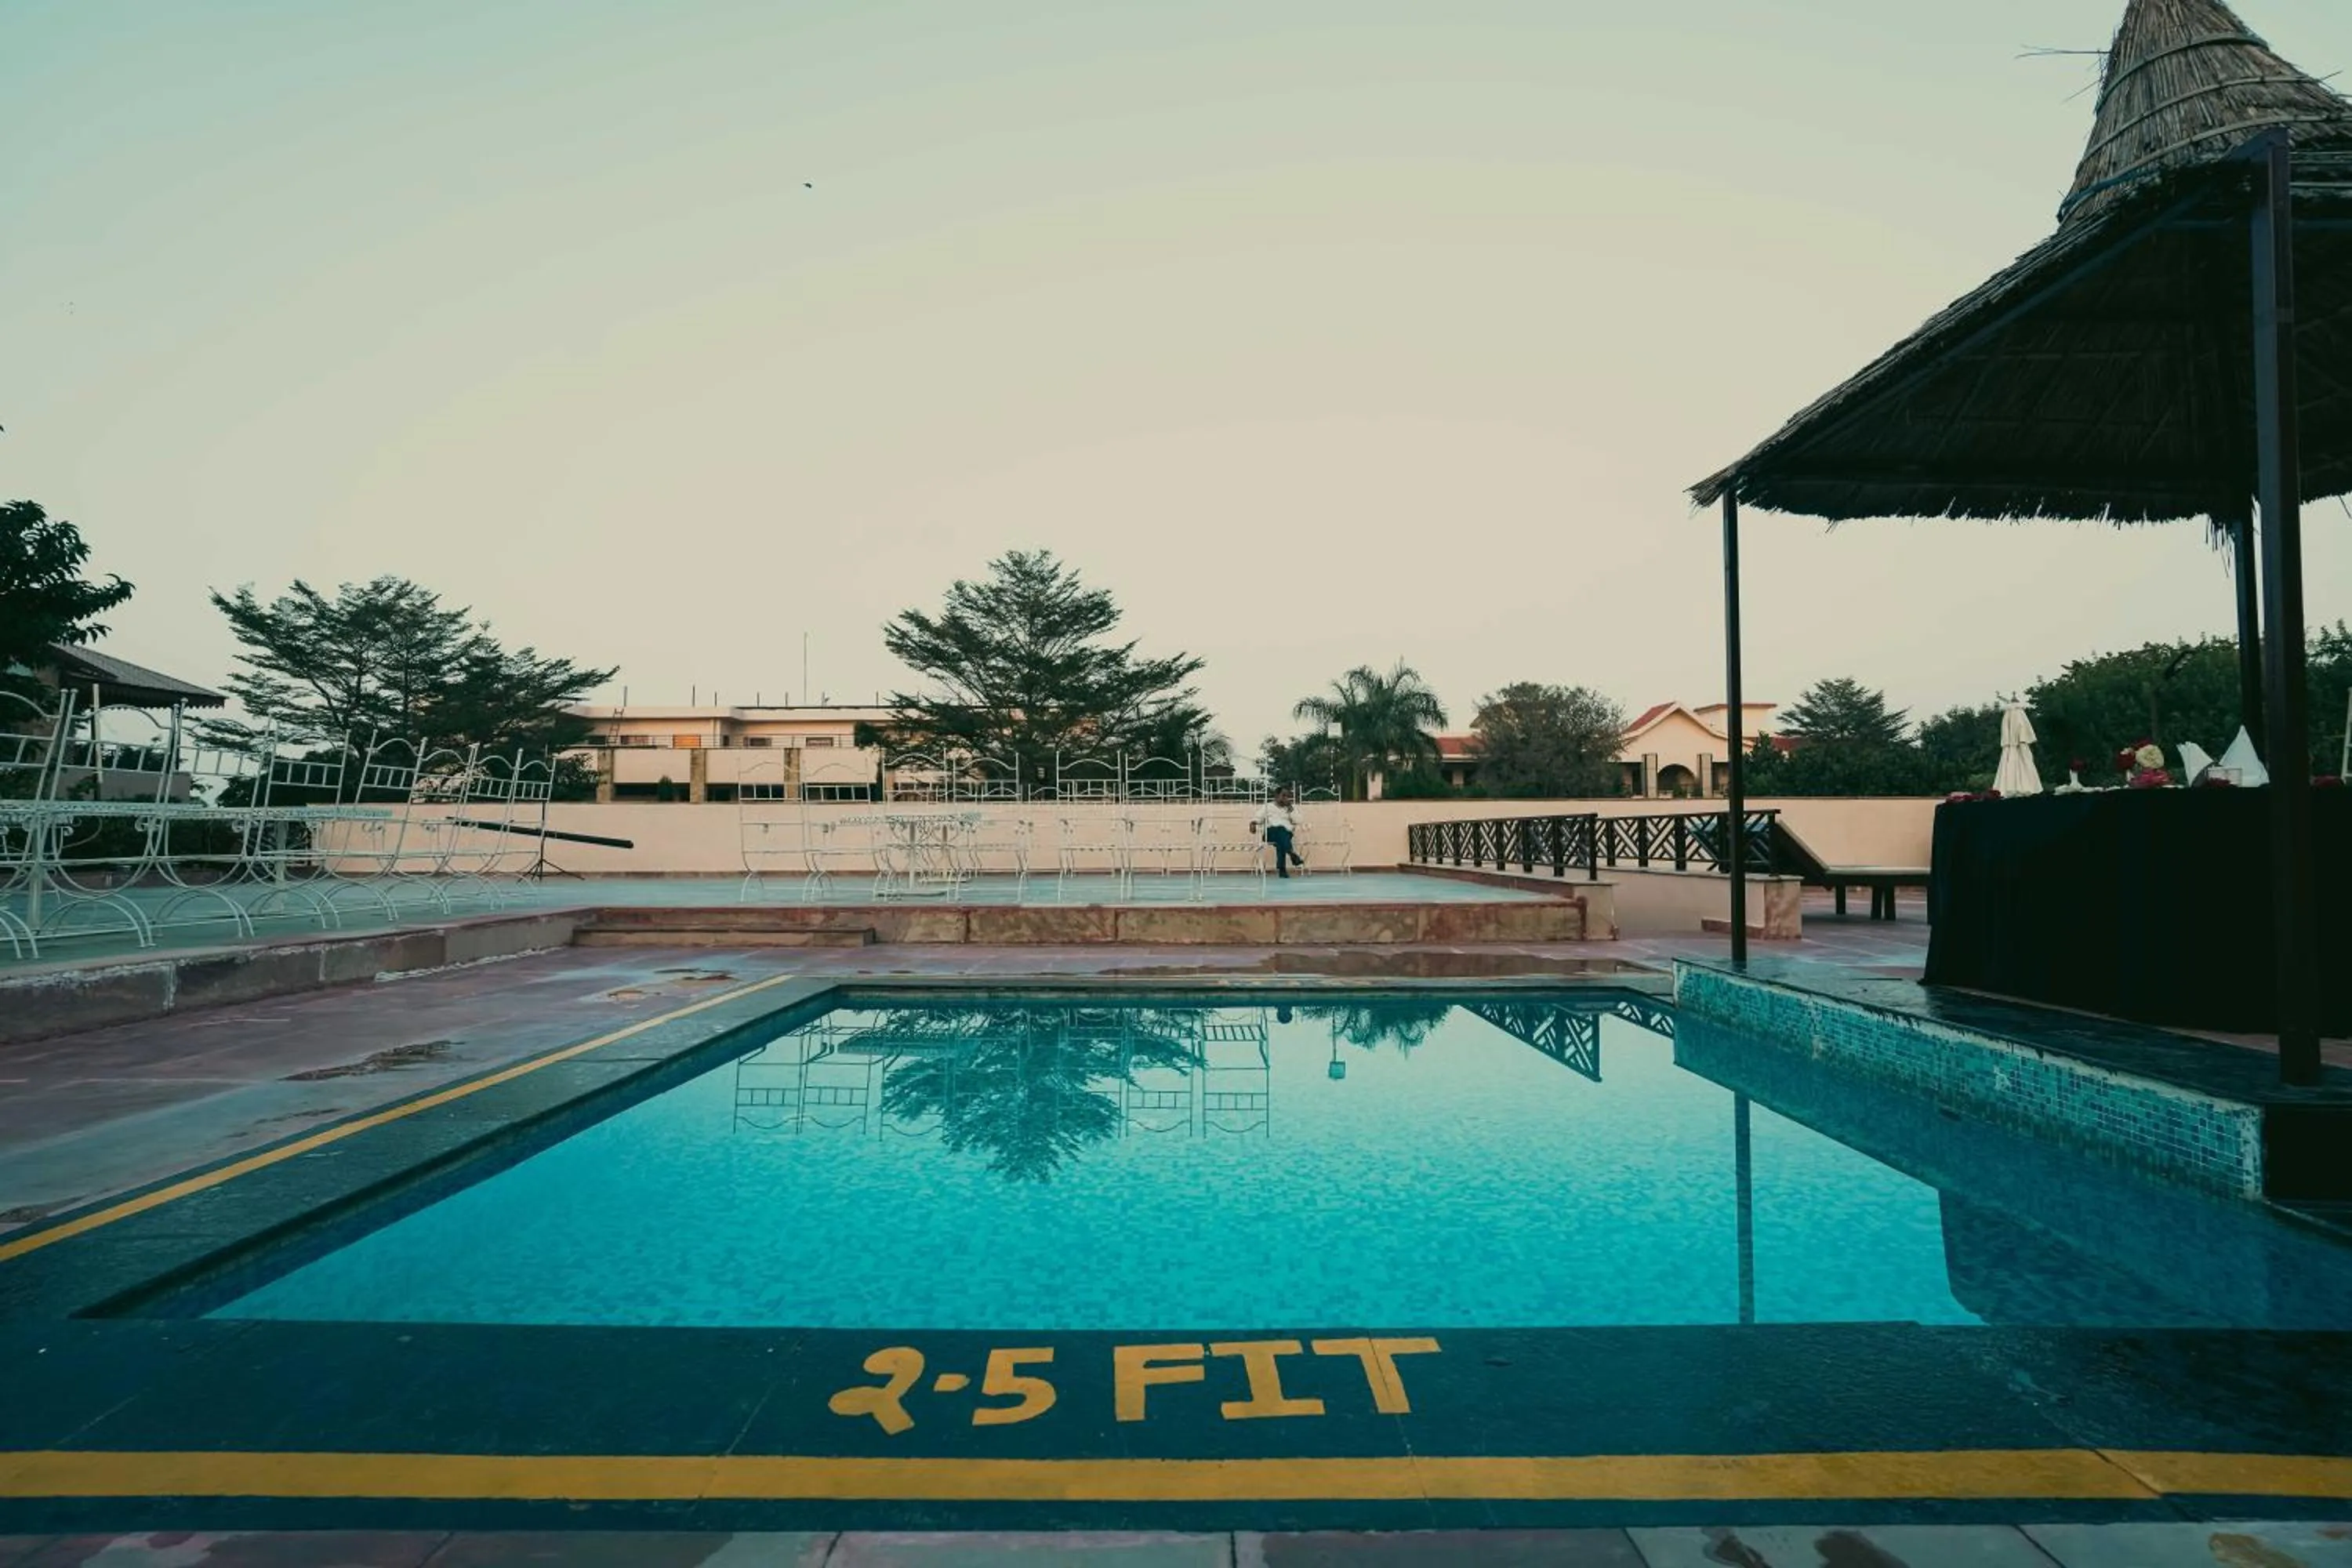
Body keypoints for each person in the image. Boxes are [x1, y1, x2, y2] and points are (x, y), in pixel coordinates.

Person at [1253, 788, 1306, 877]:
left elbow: (1299, 821)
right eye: (1283, 796)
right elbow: (1258, 817)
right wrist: (1253, 823)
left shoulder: (1290, 808)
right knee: (1281, 832)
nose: (1286, 798)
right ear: (1276, 796)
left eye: (1287, 796)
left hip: (1286, 834)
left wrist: (1291, 809)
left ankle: (1284, 865)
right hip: (1271, 833)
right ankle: (1290, 855)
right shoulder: (1268, 806)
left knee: (1281, 839)